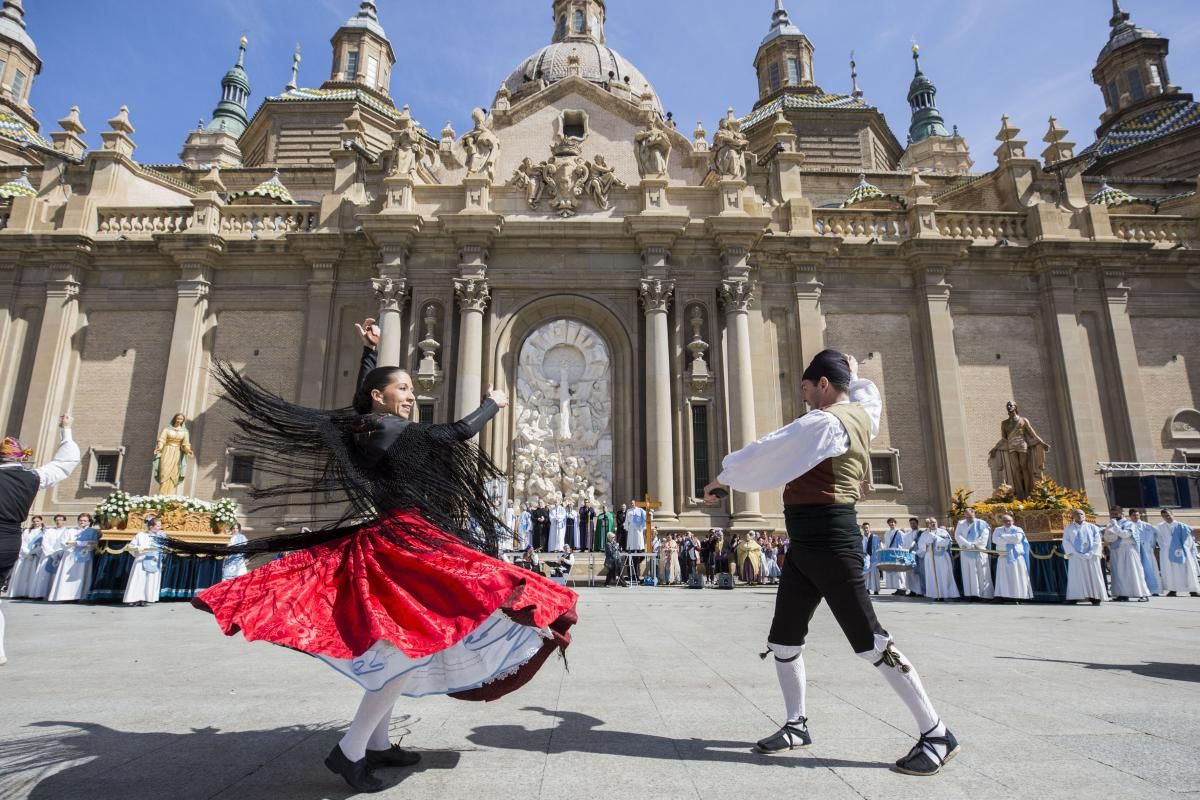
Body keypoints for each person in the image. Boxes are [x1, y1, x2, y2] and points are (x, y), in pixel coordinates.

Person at [164, 321, 578, 793]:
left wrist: (368, 354)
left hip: (408, 536)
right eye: (401, 387)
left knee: (404, 642)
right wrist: (494, 404)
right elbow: (456, 433)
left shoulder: (374, 423)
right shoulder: (389, 430)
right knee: (422, 635)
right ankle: (352, 750)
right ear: (380, 398)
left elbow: (369, 402)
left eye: (408, 386)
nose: (410, 393)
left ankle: (376, 741)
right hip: (405, 543)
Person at [705, 350, 957, 776]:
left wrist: (722, 478)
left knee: (871, 641)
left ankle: (936, 733)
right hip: (806, 542)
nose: (804, 398)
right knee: (784, 640)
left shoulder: (823, 422)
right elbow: (869, 396)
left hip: (831, 539)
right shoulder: (862, 414)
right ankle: (796, 724)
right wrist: (854, 375)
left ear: (823, 384)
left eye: (807, 389)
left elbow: (768, 451)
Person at [0, 416, 79, 666]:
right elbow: (65, 463)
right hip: (11, 541)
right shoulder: (33, 477)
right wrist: (65, 430)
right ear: (22, 457)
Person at [47, 513, 101, 602]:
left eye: (85, 520)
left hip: (85, 556)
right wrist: (71, 545)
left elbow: (94, 543)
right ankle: (65, 596)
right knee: (66, 576)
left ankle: (80, 596)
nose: (82, 522)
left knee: (82, 576)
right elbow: (63, 542)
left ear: (89, 522)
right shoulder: (70, 531)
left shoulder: (93, 532)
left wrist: (78, 543)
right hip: (70, 556)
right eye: (80, 520)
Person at [1104, 508, 1149, 602]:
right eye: (1112, 513)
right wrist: (1115, 533)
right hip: (1115, 551)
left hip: (1128, 550)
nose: (1114, 515)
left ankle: (1142, 594)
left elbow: (1125, 535)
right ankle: (1122, 594)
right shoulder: (1110, 524)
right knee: (1118, 574)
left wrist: (1116, 528)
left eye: (1116, 513)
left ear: (1122, 513)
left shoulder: (1129, 524)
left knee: (1133, 573)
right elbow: (1107, 538)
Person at [1063, 510, 1106, 605]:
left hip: (1091, 557)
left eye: (1081, 514)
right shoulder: (1069, 528)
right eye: (1076, 514)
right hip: (1076, 557)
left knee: (1093, 576)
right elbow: (1066, 541)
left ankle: (1095, 597)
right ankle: (1074, 597)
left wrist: (1090, 553)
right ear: (1073, 516)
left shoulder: (1093, 527)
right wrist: (1075, 553)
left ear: (1085, 515)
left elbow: (1097, 541)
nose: (1079, 516)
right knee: (1076, 576)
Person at [1156, 509, 1200, 597]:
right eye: (1164, 516)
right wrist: (1166, 549)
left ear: (1173, 514)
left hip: (1182, 551)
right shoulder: (1159, 527)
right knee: (1170, 571)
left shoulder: (1182, 526)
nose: (1167, 517)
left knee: (1187, 571)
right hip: (1168, 552)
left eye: (1168, 515)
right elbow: (1159, 540)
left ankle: (1192, 590)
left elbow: (1189, 540)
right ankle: (1173, 589)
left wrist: (1184, 549)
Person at [953, 509, 994, 601]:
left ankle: (985, 595)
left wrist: (975, 545)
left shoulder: (982, 523)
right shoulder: (961, 523)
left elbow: (984, 536)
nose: (968, 518)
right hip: (966, 551)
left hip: (979, 551)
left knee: (982, 573)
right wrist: (968, 545)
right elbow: (957, 535)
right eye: (966, 516)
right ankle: (971, 594)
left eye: (970, 516)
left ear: (974, 514)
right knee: (968, 573)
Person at [990, 515, 1032, 603]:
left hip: (1016, 558)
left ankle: (1018, 597)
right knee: (1003, 578)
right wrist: (1009, 539)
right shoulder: (998, 530)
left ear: (1013, 521)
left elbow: (1017, 539)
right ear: (1002, 522)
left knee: (1016, 577)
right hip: (1003, 557)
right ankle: (1003, 596)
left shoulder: (1018, 529)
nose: (1007, 523)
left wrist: (1002, 537)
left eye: (1009, 521)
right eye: (1005, 521)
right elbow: (994, 540)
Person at [124, 516, 163, 606]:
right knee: (139, 579)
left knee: (149, 580)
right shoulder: (140, 535)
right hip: (141, 561)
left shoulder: (161, 536)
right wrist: (141, 548)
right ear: (151, 526)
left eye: (160, 526)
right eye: (158, 526)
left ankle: (145, 598)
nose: (159, 528)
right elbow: (131, 547)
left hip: (153, 561)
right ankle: (134, 598)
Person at [916, 519, 958, 602]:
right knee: (932, 576)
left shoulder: (943, 532)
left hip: (942, 557)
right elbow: (921, 546)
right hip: (930, 557)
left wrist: (936, 538)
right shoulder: (925, 534)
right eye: (931, 523)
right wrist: (927, 543)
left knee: (944, 575)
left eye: (934, 522)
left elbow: (947, 542)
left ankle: (945, 594)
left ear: (937, 523)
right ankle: (936, 595)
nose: (932, 524)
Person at [29, 514, 69, 600]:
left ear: (64, 521)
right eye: (57, 520)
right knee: (43, 575)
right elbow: (45, 542)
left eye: (61, 520)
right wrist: (51, 553)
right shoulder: (49, 531)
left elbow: (66, 543)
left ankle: (54, 594)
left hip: (60, 556)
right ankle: (40, 594)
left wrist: (59, 553)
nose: (59, 521)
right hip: (47, 555)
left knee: (56, 575)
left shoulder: (67, 531)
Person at [4, 515, 44, 599]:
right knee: (22, 575)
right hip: (25, 556)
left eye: (37, 521)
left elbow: (43, 544)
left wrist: (33, 552)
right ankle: (20, 592)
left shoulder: (44, 532)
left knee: (33, 575)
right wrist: (26, 552)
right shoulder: (27, 532)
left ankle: (31, 594)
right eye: (34, 521)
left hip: (35, 556)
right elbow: (22, 542)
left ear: (41, 521)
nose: (36, 523)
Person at [153, 413, 194, 495]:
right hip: (167, 451)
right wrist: (160, 447)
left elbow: (185, 444)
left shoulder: (185, 432)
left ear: (183, 421)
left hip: (177, 453)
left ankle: (169, 494)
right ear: (175, 419)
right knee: (164, 470)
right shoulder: (167, 429)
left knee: (174, 472)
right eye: (178, 418)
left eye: (181, 419)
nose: (179, 420)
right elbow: (162, 439)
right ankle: (162, 493)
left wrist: (188, 450)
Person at [1128, 509, 1162, 597]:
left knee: (1150, 570)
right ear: (1130, 516)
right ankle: (1140, 590)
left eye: (1137, 515)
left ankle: (1154, 589)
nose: (1136, 517)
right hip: (1135, 552)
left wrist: (1151, 546)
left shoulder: (1147, 526)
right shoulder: (1128, 526)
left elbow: (1154, 536)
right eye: (1134, 515)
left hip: (1147, 551)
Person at [880, 518, 909, 596]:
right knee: (895, 573)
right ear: (888, 524)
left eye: (893, 522)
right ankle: (898, 588)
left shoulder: (899, 532)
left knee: (900, 573)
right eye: (890, 522)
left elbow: (903, 543)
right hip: (890, 554)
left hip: (898, 554)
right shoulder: (887, 533)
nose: (892, 524)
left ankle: (903, 588)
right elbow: (886, 544)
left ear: (895, 523)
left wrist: (900, 552)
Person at [905, 517, 925, 597]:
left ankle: (920, 591)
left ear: (917, 523)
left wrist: (917, 553)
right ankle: (912, 590)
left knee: (918, 574)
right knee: (910, 574)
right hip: (909, 556)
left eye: (914, 523)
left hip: (918, 556)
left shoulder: (921, 533)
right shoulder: (908, 534)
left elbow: (923, 545)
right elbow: (905, 545)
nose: (912, 525)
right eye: (911, 523)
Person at [861, 523, 880, 595]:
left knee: (875, 575)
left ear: (869, 528)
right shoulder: (862, 538)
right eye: (864, 528)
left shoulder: (875, 537)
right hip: (865, 558)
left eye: (867, 528)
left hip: (874, 558)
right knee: (866, 574)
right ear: (862, 529)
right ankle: (867, 589)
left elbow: (878, 548)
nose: (866, 529)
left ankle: (876, 590)